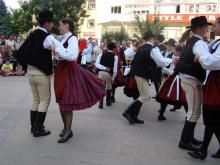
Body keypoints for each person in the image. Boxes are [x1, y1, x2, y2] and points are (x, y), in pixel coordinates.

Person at [52, 18, 106, 143]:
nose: (59, 27)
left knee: (67, 101)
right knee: (61, 100)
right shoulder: (65, 37)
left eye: (60, 25)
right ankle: (66, 128)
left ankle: (68, 131)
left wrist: (56, 50)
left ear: (66, 25)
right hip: (62, 69)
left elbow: (72, 56)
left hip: (68, 71)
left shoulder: (73, 38)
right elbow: (57, 42)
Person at [15, 10, 58, 137]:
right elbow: (59, 50)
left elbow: (20, 53)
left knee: (35, 99)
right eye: (51, 22)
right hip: (42, 74)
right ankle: (38, 129)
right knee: (45, 100)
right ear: (47, 23)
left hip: (31, 73)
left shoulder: (33, 34)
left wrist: (24, 65)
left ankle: (33, 126)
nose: (52, 25)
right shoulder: (47, 37)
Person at [174, 16, 212, 151]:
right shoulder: (199, 43)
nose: (208, 29)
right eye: (206, 27)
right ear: (200, 28)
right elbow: (206, 60)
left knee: (193, 110)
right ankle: (184, 141)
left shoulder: (191, 40)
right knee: (194, 112)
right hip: (191, 79)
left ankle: (189, 138)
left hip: (187, 77)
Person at [122, 31, 174, 124]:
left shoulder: (141, 48)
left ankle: (134, 116)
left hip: (139, 74)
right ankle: (128, 112)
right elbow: (160, 61)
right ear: (153, 39)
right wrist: (171, 60)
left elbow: (127, 55)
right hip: (142, 74)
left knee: (142, 96)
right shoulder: (153, 49)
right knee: (144, 96)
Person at [188, 17, 220, 160]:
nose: (212, 28)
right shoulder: (216, 42)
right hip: (214, 81)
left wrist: (199, 58)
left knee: (212, 117)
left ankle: (203, 151)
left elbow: (213, 62)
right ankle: (204, 150)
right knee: (214, 119)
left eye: (215, 25)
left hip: (217, 83)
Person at [156, 45, 188, 121]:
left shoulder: (178, 59)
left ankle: (161, 114)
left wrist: (164, 69)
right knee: (183, 99)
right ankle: (188, 116)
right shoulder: (179, 58)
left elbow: (174, 71)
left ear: (179, 52)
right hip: (176, 79)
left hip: (175, 79)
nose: (173, 52)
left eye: (175, 51)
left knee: (166, 97)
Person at [95, 42, 118, 109]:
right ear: (113, 49)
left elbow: (96, 64)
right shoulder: (115, 56)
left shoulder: (101, 54)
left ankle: (100, 104)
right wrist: (113, 78)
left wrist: (104, 68)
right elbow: (115, 69)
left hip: (101, 73)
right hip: (109, 74)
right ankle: (108, 102)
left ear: (107, 48)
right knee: (109, 87)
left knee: (101, 88)